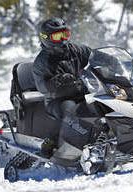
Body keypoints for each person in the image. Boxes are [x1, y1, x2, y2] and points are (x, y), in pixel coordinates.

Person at [32, 17, 94, 155]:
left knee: (105, 103)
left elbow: (95, 56)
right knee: (71, 110)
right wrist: (59, 80)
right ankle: (52, 142)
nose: (63, 40)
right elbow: (42, 87)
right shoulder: (42, 61)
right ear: (46, 38)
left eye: (65, 34)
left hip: (83, 92)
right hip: (57, 99)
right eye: (57, 36)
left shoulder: (77, 50)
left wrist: (111, 62)